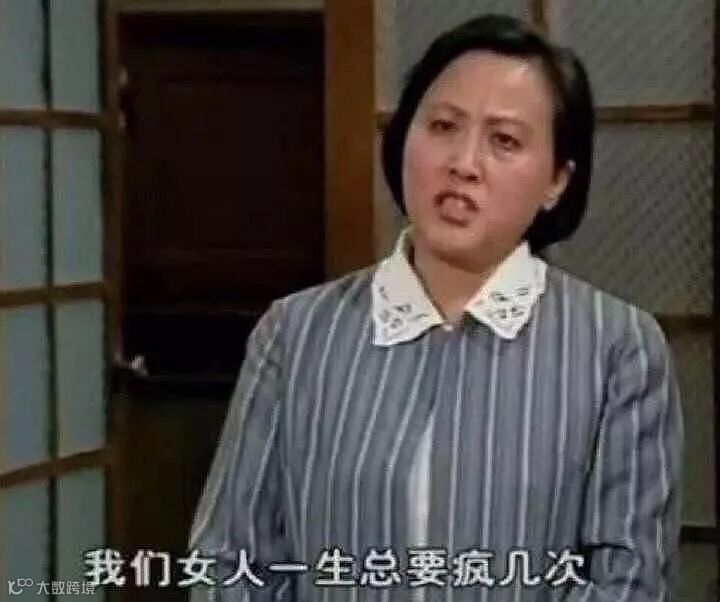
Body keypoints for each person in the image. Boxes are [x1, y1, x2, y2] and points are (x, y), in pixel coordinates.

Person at [189, 14, 683, 601]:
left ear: (557, 180)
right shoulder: (296, 333)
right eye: (443, 126)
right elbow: (228, 558)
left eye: (504, 140)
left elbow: (628, 580)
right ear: (404, 138)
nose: (464, 163)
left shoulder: (618, 346)